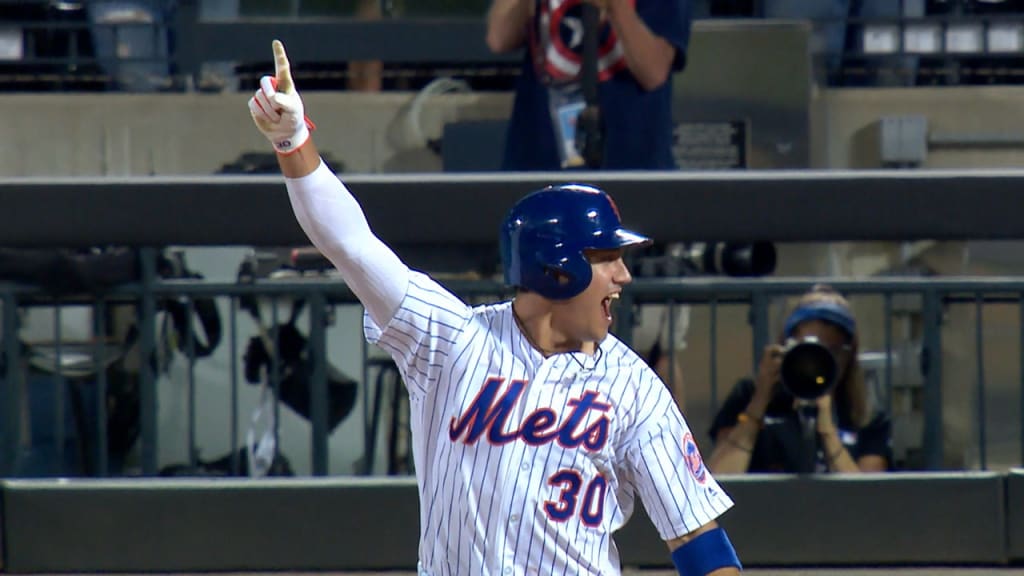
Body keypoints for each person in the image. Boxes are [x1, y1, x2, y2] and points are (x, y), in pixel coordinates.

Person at [248, 40, 742, 576]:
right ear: (558, 266)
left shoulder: (634, 386)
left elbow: (698, 539)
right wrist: (292, 140)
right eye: (605, 258)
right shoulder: (453, 342)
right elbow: (351, 243)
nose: (623, 275)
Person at [707, 285, 892, 474]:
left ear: (849, 356)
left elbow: (866, 498)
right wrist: (758, 402)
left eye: (832, 351)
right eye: (807, 350)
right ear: (786, 347)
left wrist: (828, 431)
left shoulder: (868, 417)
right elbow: (719, 485)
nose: (816, 362)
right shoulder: (748, 397)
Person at [486, 0, 693, 170]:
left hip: (629, 160)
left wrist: (616, 6)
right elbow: (499, 39)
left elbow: (653, 72)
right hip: (538, 157)